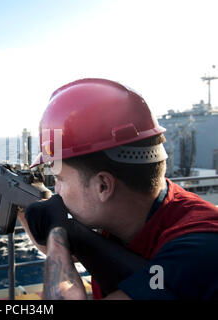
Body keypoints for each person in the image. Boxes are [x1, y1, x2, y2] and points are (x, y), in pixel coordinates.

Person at [17, 78, 218, 300]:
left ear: (103, 186)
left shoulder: (199, 250)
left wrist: (57, 231)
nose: (57, 191)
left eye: (60, 179)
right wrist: (19, 204)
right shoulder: (130, 214)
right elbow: (74, 252)